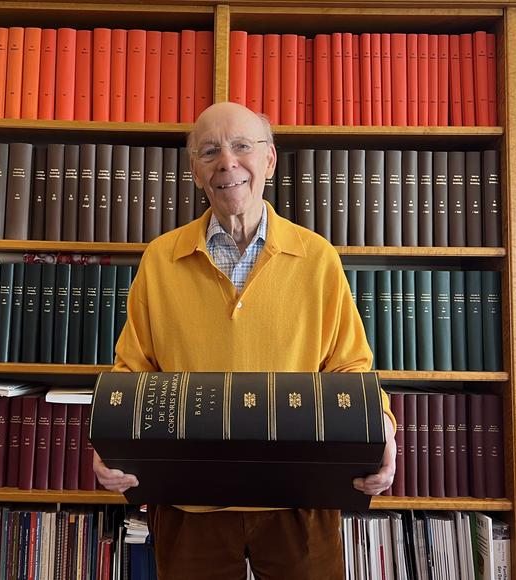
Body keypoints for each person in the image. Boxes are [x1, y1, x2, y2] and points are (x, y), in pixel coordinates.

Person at [94, 101, 397, 580]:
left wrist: (382, 425)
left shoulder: (317, 257)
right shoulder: (160, 260)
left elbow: (350, 368)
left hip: (301, 501)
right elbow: (133, 373)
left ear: (269, 160)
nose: (227, 163)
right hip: (189, 504)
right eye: (210, 151)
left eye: (241, 146)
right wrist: (109, 443)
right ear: (195, 171)